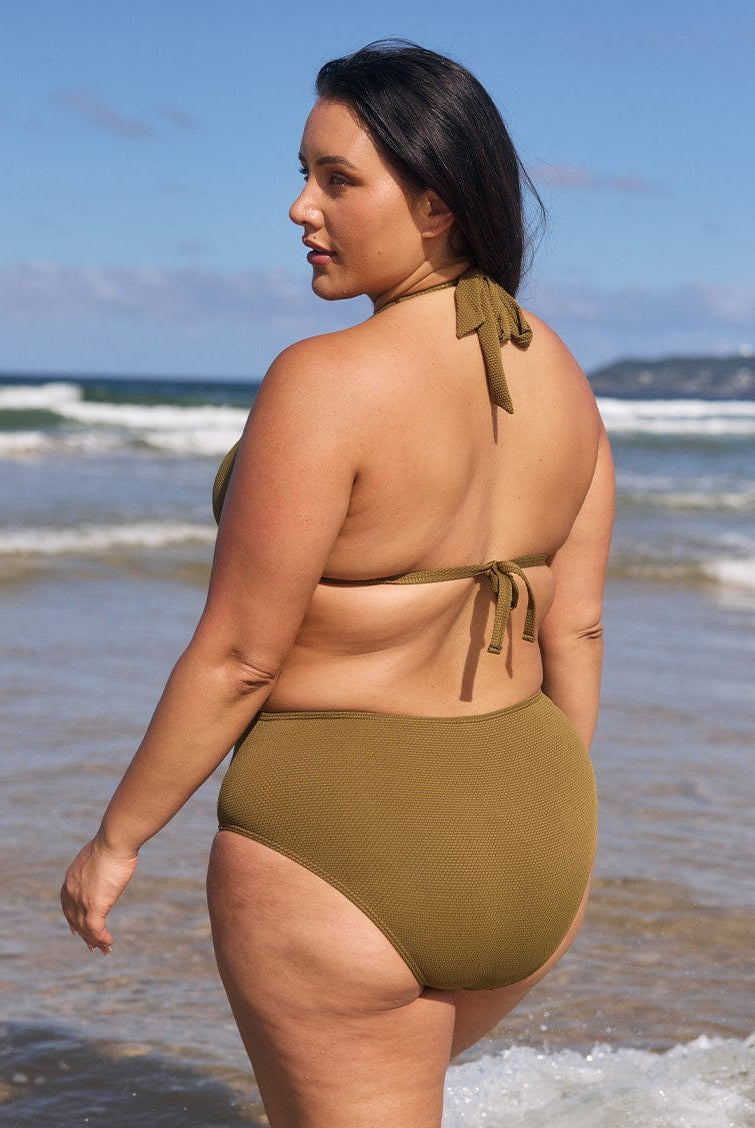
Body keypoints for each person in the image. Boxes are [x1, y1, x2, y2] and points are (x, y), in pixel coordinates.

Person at [61, 40, 614, 1128]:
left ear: (436, 204)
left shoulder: (322, 384)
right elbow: (578, 626)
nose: (299, 207)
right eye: (304, 174)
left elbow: (240, 656)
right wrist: (534, 815)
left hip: (342, 845)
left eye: (336, 180)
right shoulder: (562, 374)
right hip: (537, 830)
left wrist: (116, 841)